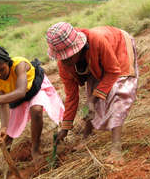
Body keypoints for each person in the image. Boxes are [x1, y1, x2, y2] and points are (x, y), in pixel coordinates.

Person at [46, 22, 138, 163]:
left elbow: (113, 72)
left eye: (68, 57)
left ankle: (116, 148)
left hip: (118, 46)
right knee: (90, 96)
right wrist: (65, 129)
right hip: (96, 61)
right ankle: (86, 136)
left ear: (78, 48)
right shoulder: (64, 65)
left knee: (117, 93)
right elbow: (71, 96)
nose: (65, 62)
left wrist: (93, 100)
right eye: (61, 58)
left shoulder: (96, 41)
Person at [0, 46, 65, 164]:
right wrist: (4, 128)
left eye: (1, 69)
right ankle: (8, 160)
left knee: (36, 110)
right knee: (8, 134)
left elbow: (21, 91)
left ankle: (35, 149)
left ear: (7, 62)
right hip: (15, 97)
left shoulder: (19, 65)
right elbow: (3, 104)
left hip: (34, 88)